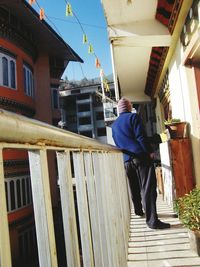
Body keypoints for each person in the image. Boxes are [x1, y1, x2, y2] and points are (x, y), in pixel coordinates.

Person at [111, 97, 170, 229]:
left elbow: (117, 143)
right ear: (128, 106)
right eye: (130, 104)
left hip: (127, 160)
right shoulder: (133, 117)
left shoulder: (114, 126)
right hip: (140, 157)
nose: (132, 106)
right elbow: (140, 137)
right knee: (148, 188)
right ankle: (152, 221)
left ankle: (138, 210)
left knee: (134, 187)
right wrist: (149, 152)